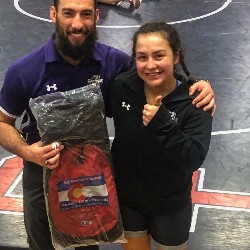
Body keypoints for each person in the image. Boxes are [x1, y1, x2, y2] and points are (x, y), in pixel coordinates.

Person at [0, 0, 214, 249]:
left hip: (91, 174)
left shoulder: (113, 62)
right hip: (43, 172)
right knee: (43, 245)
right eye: (68, 13)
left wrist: (196, 85)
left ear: (96, 16)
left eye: (86, 14)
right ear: (53, 15)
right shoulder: (25, 70)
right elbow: (3, 123)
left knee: (87, 244)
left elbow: (155, 71)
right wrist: (28, 152)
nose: (77, 23)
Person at [108, 22, 213, 250]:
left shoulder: (195, 101)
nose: (150, 65)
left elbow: (193, 158)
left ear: (176, 56)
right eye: (142, 57)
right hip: (129, 201)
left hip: (170, 205)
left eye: (159, 56)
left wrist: (163, 122)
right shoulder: (121, 88)